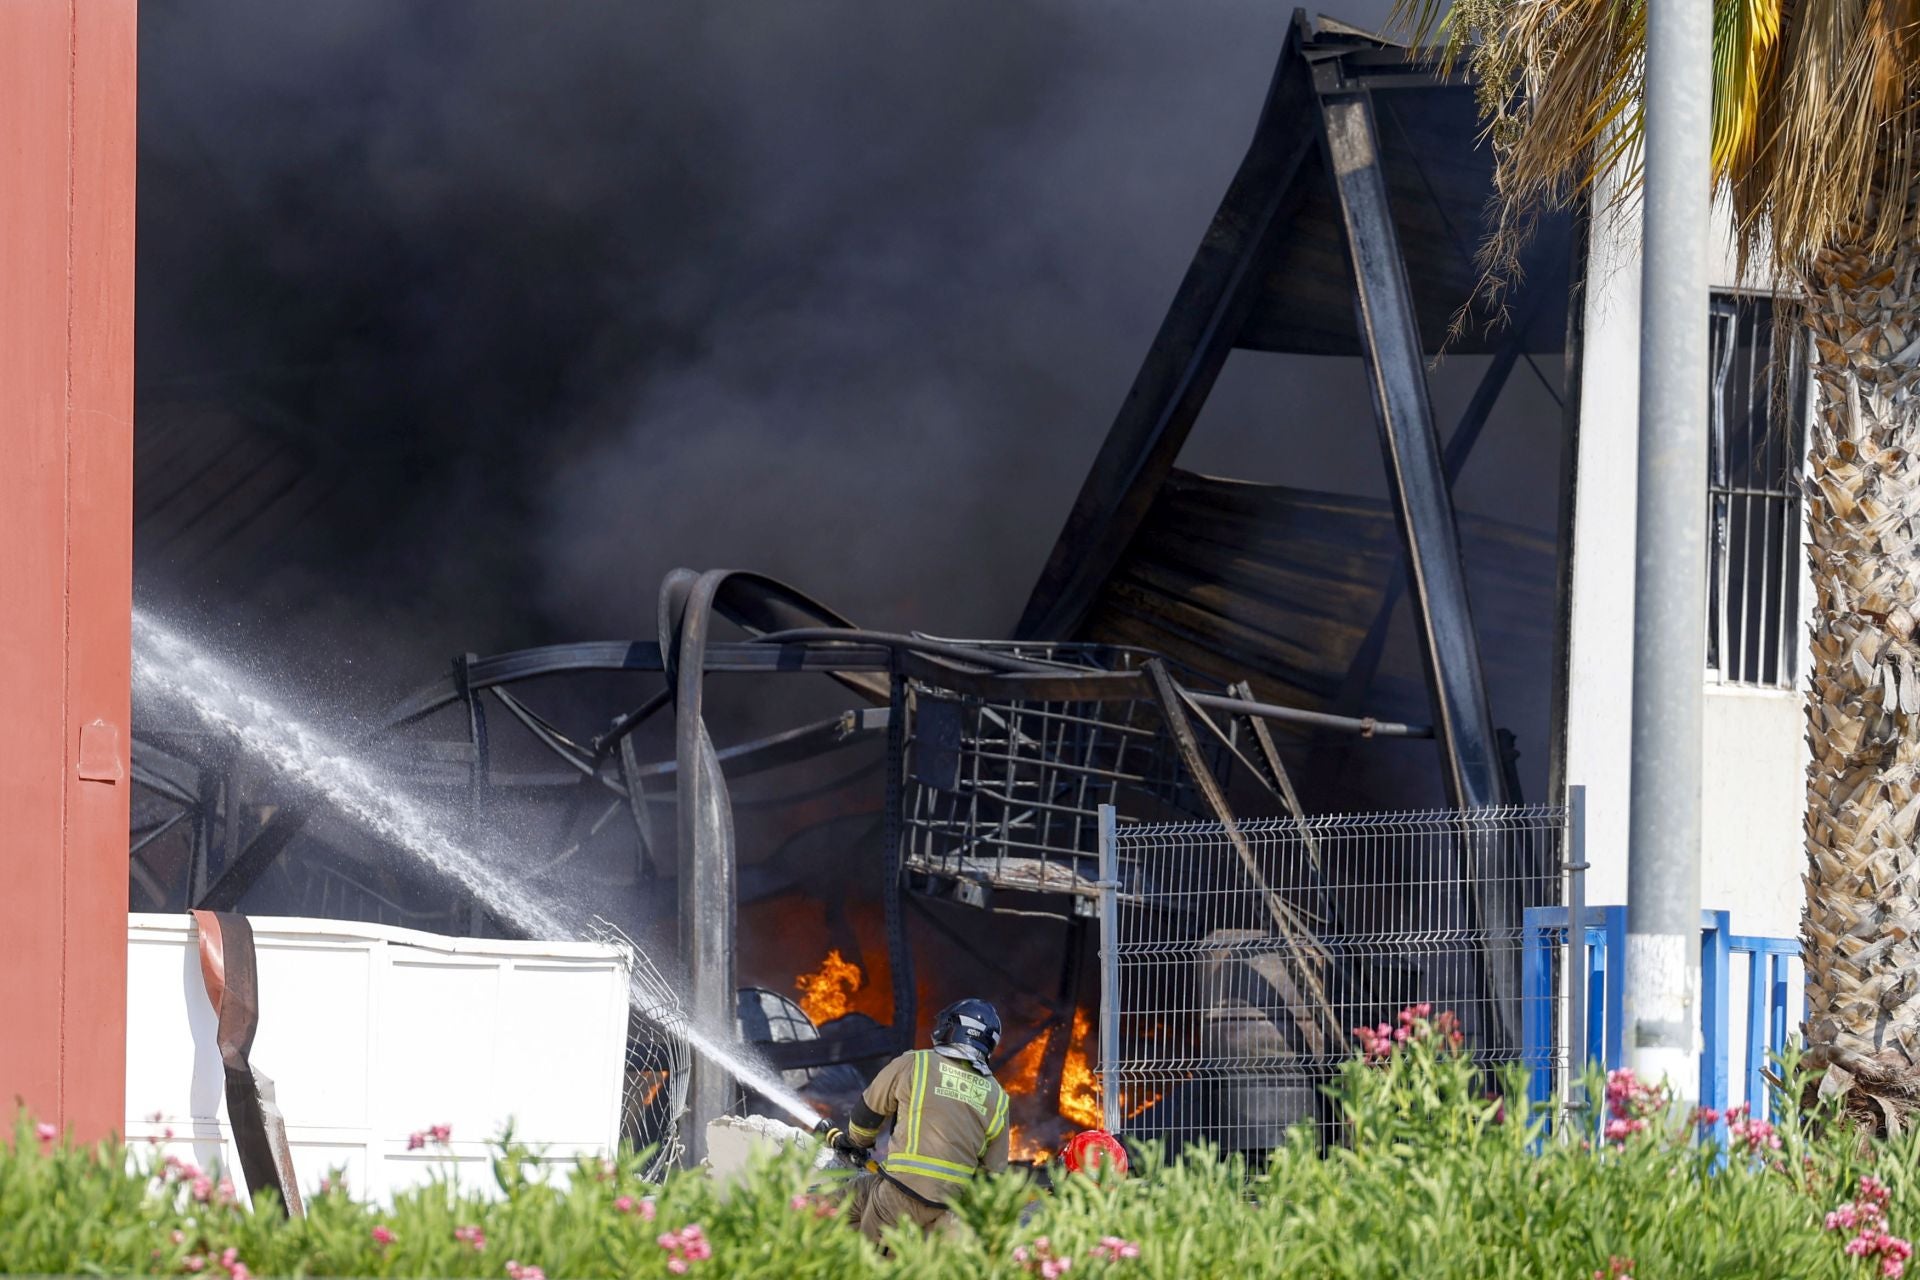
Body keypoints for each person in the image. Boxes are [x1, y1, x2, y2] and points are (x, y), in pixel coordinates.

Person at [817, 998, 1010, 1244]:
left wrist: (854, 1142)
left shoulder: (915, 1063)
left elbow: (868, 1112)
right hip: (949, 1208)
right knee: (851, 1197)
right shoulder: (999, 1097)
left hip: (899, 1193)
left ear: (954, 1028)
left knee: (867, 1255)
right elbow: (994, 1172)